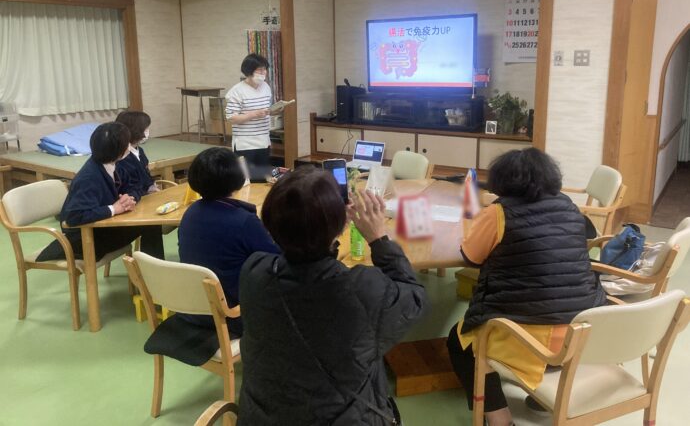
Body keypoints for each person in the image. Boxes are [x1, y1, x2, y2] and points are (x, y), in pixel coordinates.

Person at [238, 167, 427, 425]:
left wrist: (327, 231)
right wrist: (378, 239)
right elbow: (414, 299)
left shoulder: (254, 271)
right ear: (339, 227)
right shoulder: (361, 289)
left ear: (269, 226)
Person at [446, 148, 607, 426]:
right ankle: (541, 398)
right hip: (581, 330)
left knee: (459, 341)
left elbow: (471, 257)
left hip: (534, 340)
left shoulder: (499, 213)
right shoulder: (569, 206)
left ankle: (499, 419)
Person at [177, 147, 280, 337]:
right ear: (237, 177)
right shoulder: (243, 221)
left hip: (193, 309)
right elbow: (279, 260)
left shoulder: (190, 213)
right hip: (232, 314)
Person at [37, 122, 164, 262]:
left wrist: (129, 198)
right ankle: (152, 270)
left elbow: (136, 187)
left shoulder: (114, 164)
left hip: (105, 226)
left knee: (150, 223)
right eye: (126, 143)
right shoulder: (89, 177)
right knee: (149, 225)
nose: (129, 146)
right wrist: (113, 209)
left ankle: (151, 268)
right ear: (119, 150)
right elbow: (75, 217)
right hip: (86, 238)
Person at [225, 53, 272, 168]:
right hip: (245, 145)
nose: (263, 73)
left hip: (264, 142)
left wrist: (274, 110)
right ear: (249, 71)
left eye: (265, 69)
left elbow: (266, 110)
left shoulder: (266, 87)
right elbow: (231, 118)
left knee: (262, 176)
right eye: (260, 70)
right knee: (246, 177)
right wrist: (254, 114)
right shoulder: (237, 91)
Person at [115, 110, 158, 202]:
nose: (147, 132)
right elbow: (128, 188)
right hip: (133, 200)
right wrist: (147, 190)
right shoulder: (120, 156)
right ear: (135, 130)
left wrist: (151, 185)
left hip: (146, 196)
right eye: (145, 129)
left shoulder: (140, 151)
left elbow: (146, 175)